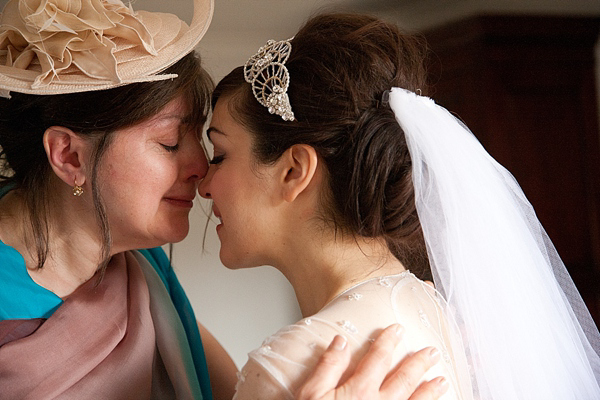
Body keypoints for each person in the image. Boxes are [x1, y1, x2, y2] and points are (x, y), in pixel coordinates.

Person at [0, 0, 447, 398]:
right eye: (171, 142)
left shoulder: (145, 271)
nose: (201, 168)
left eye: (207, 143)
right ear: (69, 155)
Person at [199, 12, 600, 400]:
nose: (204, 185)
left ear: (294, 171)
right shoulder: (437, 311)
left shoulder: (292, 366)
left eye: (218, 155)